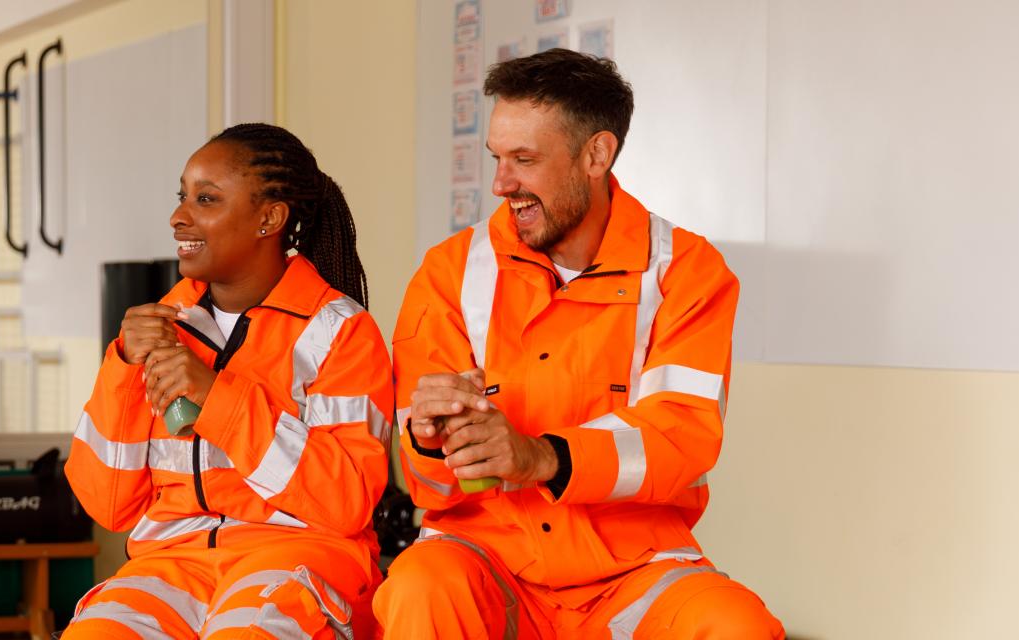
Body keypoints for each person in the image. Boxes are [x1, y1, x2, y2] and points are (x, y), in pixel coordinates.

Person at [373, 49, 785, 638]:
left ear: (597, 154)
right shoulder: (450, 272)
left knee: (736, 625)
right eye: (496, 158)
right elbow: (427, 486)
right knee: (417, 586)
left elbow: (681, 437)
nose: (500, 183)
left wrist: (541, 456)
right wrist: (430, 441)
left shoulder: (685, 272)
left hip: (632, 568)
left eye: (524, 159)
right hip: (488, 557)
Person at [63, 123, 393, 639]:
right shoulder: (162, 327)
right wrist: (123, 368)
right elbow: (107, 506)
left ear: (269, 218)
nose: (178, 217)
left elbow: (346, 501)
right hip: (173, 562)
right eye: (182, 197)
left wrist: (218, 397)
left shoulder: (340, 332)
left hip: (299, 559)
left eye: (206, 199)